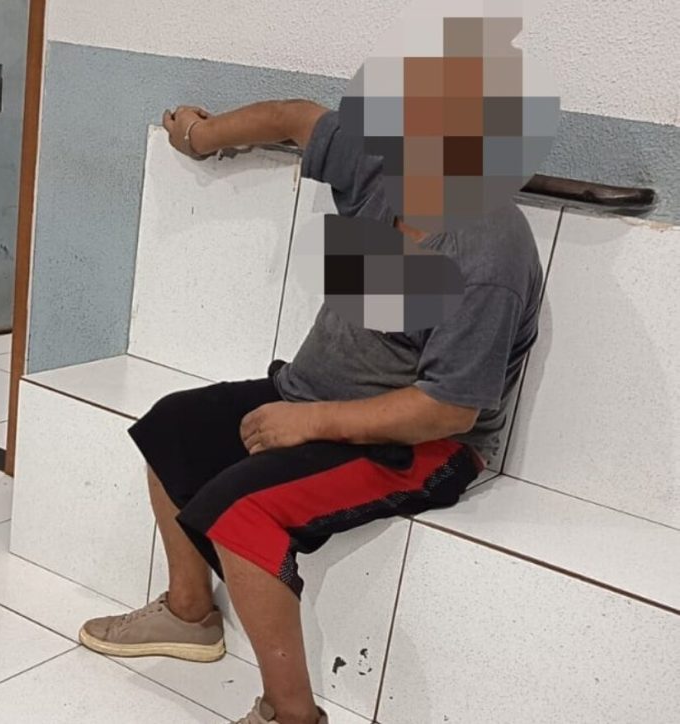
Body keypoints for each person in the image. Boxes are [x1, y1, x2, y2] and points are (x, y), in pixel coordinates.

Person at [78, 80, 544, 723]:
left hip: (426, 443)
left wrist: (312, 422)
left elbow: (449, 409)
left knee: (241, 510)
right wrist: (198, 135)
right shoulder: (388, 172)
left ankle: (291, 713)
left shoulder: (487, 249)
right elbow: (293, 117)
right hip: (312, 392)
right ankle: (189, 613)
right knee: (171, 427)